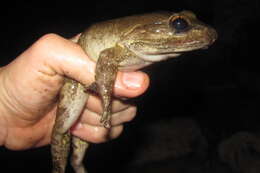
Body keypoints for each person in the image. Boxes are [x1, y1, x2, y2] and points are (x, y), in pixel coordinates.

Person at [0, 33, 149, 150]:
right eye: (174, 24)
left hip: (83, 84)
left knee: (77, 139)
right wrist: (4, 106)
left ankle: (77, 165)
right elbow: (107, 56)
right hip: (76, 77)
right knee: (61, 133)